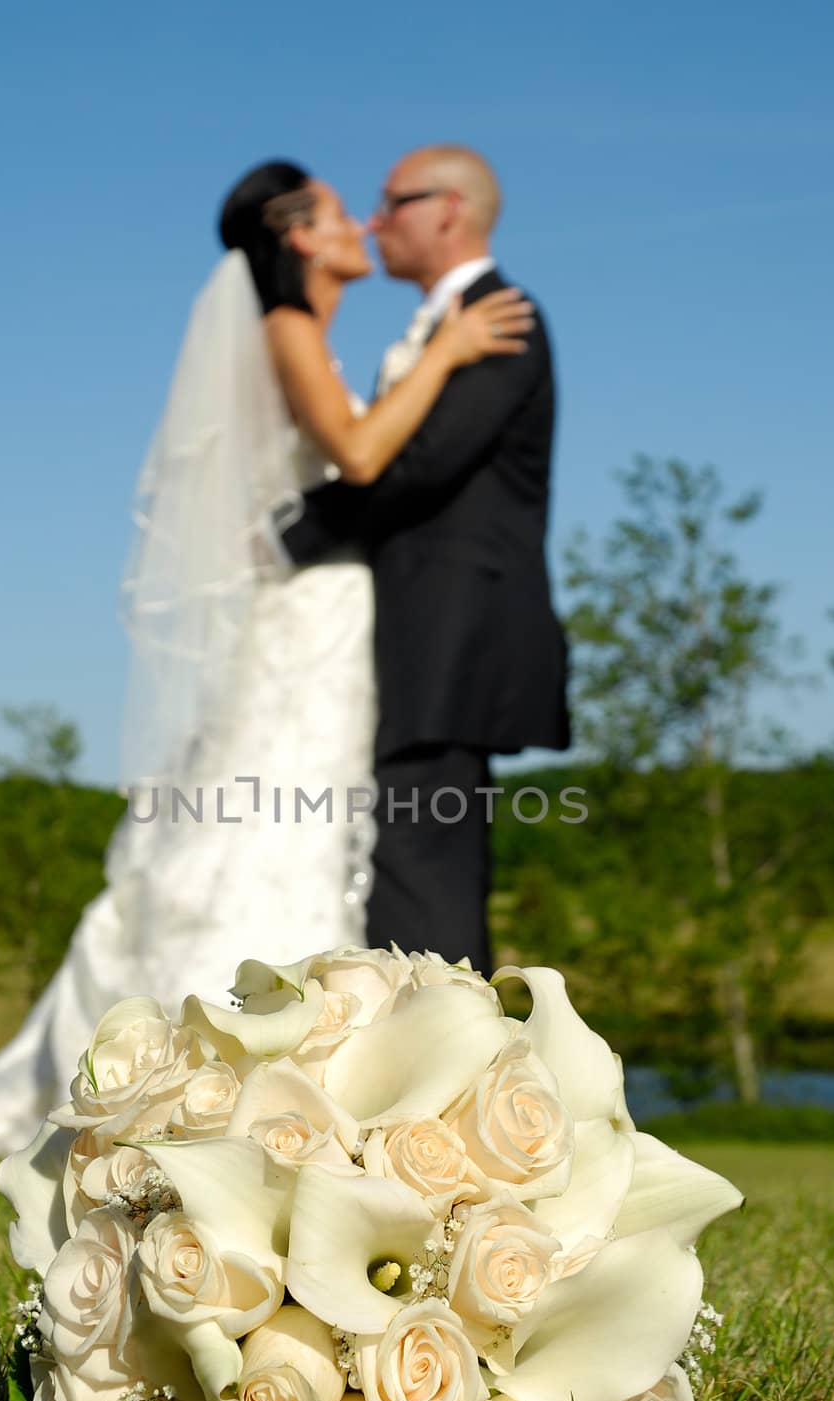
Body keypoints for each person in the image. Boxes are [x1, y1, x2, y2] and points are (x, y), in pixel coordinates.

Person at [0, 158, 533, 1158]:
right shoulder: (288, 330)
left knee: (294, 824)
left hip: (327, 622)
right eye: (341, 210)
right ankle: (217, 1064)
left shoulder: (301, 333)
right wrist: (445, 354)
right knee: (267, 819)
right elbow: (355, 456)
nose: (359, 222)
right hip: (306, 622)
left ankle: (305, 1077)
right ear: (296, 234)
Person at [282, 145, 571, 977]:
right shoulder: (445, 327)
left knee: (426, 876)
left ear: (448, 208)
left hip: (453, 646)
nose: (375, 223)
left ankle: (453, 1094)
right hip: (411, 637)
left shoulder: (503, 318)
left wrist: (282, 536)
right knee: (401, 865)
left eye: (391, 202)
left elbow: (419, 467)